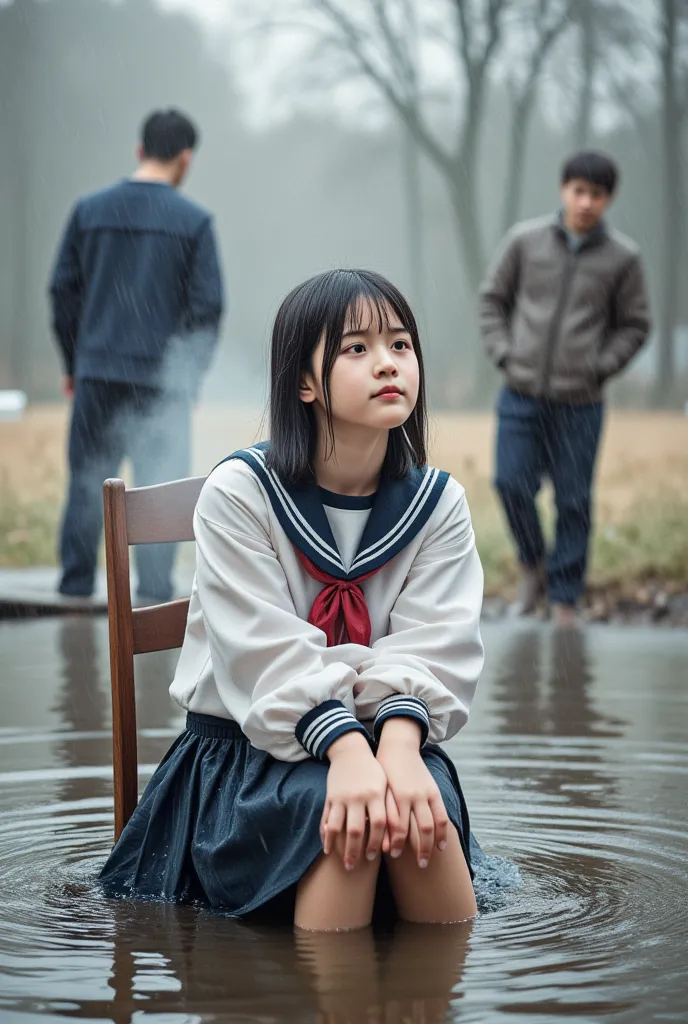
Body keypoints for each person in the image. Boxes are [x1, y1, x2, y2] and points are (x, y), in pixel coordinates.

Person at [99, 269, 484, 932]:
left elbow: (436, 645)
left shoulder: (438, 504)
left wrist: (394, 747)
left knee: (426, 812)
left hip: (391, 734)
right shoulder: (239, 495)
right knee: (343, 821)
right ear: (304, 383)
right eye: (356, 349)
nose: (387, 363)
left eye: (400, 344)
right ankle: (327, 995)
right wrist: (347, 752)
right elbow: (263, 658)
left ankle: (436, 988)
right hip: (243, 757)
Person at [49, 109, 224, 602]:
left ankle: (75, 589)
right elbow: (207, 310)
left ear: (138, 150)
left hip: (97, 371)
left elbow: (63, 293)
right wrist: (187, 376)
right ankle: (153, 596)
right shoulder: (194, 222)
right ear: (186, 158)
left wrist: (73, 363)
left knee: (86, 480)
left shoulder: (90, 211)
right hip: (161, 383)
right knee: (159, 493)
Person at [480, 151, 651, 627]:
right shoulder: (524, 242)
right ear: (563, 190)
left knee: (573, 500)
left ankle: (564, 600)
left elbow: (635, 325)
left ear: (608, 199)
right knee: (510, 483)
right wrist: (505, 354)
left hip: (582, 402)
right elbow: (493, 299)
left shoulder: (623, 259)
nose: (586, 202)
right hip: (521, 392)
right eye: (579, 191)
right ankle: (533, 567)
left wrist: (600, 366)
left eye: (596, 194)